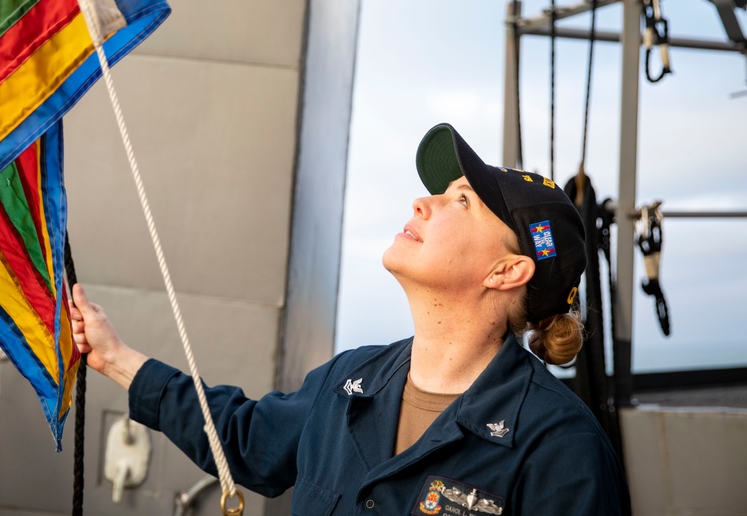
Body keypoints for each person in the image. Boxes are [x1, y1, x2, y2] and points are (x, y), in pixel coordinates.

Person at [70, 122, 631, 515]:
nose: (422, 202)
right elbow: (244, 440)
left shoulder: (561, 449)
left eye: (461, 201)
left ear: (507, 271)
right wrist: (116, 359)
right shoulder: (347, 383)